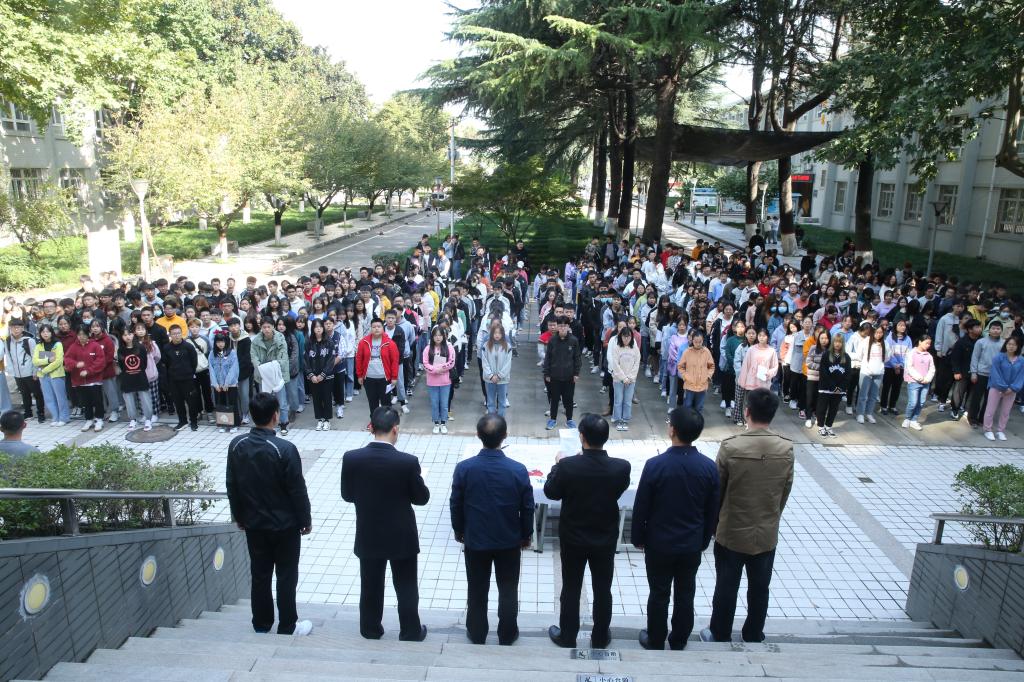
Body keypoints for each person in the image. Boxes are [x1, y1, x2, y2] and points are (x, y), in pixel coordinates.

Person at [701, 388, 793, 643]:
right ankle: (753, 633)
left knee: (726, 586)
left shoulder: (731, 446)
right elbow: (785, 490)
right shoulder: (786, 448)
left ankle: (720, 632)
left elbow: (717, 492)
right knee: (760, 587)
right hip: (766, 531)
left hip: (731, 530)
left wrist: (714, 523)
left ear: (747, 411)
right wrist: (772, 516)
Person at [225, 392, 313, 637]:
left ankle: (261, 624)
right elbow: (297, 489)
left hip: (254, 523)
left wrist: (238, 516)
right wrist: (305, 519)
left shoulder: (237, 445)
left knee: (260, 574)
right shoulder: (284, 448)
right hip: (285, 525)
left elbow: (232, 485)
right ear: (275, 416)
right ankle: (287, 625)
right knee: (286, 575)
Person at [631, 407, 719, 650]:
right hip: (691, 542)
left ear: (672, 430)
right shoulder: (708, 467)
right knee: (685, 593)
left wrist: (638, 537)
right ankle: (679, 639)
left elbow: (642, 506)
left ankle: (655, 638)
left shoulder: (656, 465)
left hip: (659, 542)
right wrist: (704, 540)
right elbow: (712, 510)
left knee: (659, 593)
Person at [340, 406, 430, 641]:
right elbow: (421, 498)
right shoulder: (407, 462)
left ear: (371, 428)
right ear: (395, 429)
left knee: (370, 584)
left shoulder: (351, 458)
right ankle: (410, 630)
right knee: (406, 585)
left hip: (369, 532)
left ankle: (370, 628)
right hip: (401, 534)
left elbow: (347, 495)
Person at [544, 414, 630, 649]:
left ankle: (568, 636)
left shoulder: (568, 466)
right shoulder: (621, 467)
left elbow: (551, 492)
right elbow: (619, 490)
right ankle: (600, 637)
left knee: (571, 587)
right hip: (605, 536)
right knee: (603, 589)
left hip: (573, 537)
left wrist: (558, 464)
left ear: (581, 437)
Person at [450, 414, 533, 645]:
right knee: (508, 589)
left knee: (477, 588)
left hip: (476, 539)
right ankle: (507, 633)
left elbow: (456, 503)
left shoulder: (464, 468)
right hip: (508, 540)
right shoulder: (517, 470)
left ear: (478, 435)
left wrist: (459, 530)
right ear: (505, 435)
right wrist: (526, 535)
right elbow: (527, 507)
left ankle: (477, 632)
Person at [250, 318, 291, 435]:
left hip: (277, 373)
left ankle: (284, 423)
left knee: (281, 401)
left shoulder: (280, 339)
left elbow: (283, 356)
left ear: (273, 327)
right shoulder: (256, 340)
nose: (267, 329)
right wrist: (261, 367)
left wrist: (272, 366)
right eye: (264, 327)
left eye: (269, 327)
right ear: (261, 328)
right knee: (264, 401)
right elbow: (253, 356)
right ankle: (266, 424)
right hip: (262, 374)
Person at [355, 318, 400, 422]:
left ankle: (387, 422)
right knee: (372, 402)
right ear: (370, 328)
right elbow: (359, 359)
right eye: (374, 327)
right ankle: (374, 422)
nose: (376, 329)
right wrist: (360, 375)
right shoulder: (363, 342)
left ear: (383, 328)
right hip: (369, 378)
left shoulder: (390, 343)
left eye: (379, 326)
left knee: (386, 402)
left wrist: (394, 377)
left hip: (384, 378)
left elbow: (395, 361)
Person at [63, 325, 106, 432]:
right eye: (79, 334)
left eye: (84, 334)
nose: (81, 337)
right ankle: (88, 419)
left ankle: (99, 419)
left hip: (94, 380)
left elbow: (100, 361)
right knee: (85, 402)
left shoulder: (95, 346)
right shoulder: (73, 347)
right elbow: (67, 359)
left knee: (97, 400)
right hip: (79, 380)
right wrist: (75, 364)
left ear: (88, 334)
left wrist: (88, 371)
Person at [543, 315, 582, 430]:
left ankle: (569, 420)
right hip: (554, 376)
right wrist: (547, 373)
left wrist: (576, 373)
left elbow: (577, 358)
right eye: (560, 326)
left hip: (569, 377)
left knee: (569, 399)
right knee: (554, 399)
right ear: (557, 327)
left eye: (565, 326)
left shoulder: (574, 341)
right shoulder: (552, 340)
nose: (562, 328)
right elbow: (548, 358)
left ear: (568, 327)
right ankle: (552, 419)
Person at [984, 337, 1024, 441]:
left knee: (1006, 412)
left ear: (1018, 347)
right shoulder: (998, 357)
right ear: (1005, 345)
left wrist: (1013, 388)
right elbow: (995, 373)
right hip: (996, 388)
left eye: (1014, 345)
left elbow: (1021, 376)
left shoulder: (1021, 360)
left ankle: (1000, 431)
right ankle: (988, 430)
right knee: (990, 410)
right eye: (1009, 344)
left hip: (1012, 390)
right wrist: (1003, 386)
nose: (1011, 346)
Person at [162, 326, 200, 432]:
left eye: (178, 333)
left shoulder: (188, 347)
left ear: (181, 333)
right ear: (170, 335)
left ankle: (194, 422)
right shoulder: (166, 348)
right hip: (173, 379)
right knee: (178, 402)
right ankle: (182, 421)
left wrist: (189, 373)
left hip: (187, 379)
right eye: (174, 334)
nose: (176, 335)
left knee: (191, 401)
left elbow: (194, 362)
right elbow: (165, 363)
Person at [5, 319, 44, 423]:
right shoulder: (8, 341)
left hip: (30, 372)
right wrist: (12, 371)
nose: (16, 330)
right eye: (13, 327)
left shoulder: (29, 340)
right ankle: (28, 413)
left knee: (37, 393)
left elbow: (35, 356)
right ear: (10, 328)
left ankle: (41, 413)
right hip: (17, 374)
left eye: (18, 327)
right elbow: (8, 356)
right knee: (24, 394)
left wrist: (35, 371)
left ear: (22, 328)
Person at [116, 325, 154, 431]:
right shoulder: (121, 350)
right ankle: (133, 419)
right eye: (125, 335)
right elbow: (122, 366)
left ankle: (148, 419)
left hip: (140, 376)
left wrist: (136, 371)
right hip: (127, 378)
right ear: (121, 337)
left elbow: (144, 364)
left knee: (145, 399)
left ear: (133, 335)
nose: (127, 337)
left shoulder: (141, 347)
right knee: (129, 400)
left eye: (129, 334)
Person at [32, 324, 69, 426]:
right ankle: (55, 417)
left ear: (52, 333)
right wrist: (48, 359)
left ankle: (64, 418)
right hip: (43, 377)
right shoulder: (38, 345)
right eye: (43, 332)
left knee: (60, 397)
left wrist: (44, 369)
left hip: (56, 374)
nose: (45, 334)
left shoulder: (57, 344)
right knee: (48, 398)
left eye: (47, 331)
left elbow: (58, 361)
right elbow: (35, 361)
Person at [304, 318, 337, 432]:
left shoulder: (329, 342)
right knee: (316, 398)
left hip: (327, 377)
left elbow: (331, 360)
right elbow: (305, 360)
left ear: (323, 328)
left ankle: (327, 420)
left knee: (327, 397)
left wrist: (323, 374)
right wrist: (311, 374)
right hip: (313, 377)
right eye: (316, 327)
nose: (318, 329)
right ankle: (320, 419)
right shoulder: (308, 342)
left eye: (320, 327)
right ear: (312, 329)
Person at [421, 325, 455, 433]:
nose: (438, 337)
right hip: (432, 382)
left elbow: (451, 362)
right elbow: (425, 363)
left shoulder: (449, 347)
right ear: (432, 337)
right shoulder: (428, 348)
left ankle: (443, 423)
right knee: (435, 404)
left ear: (444, 336)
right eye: (435, 335)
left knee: (444, 404)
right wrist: (435, 370)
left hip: (445, 381)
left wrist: (442, 368)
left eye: (440, 335)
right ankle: (436, 423)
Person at [815, 332, 850, 437]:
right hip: (826, 387)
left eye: (840, 342)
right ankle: (821, 427)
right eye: (835, 342)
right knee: (822, 408)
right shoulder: (826, 355)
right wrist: (833, 386)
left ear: (843, 343)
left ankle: (828, 426)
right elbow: (823, 372)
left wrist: (840, 388)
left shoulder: (846, 357)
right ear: (832, 342)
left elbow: (848, 375)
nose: (837, 344)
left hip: (839, 389)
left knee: (833, 409)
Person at [607, 325, 640, 431]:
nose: (626, 339)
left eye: (628, 336)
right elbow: (615, 365)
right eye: (624, 336)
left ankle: (625, 419)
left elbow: (636, 364)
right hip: (618, 380)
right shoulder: (617, 348)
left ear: (631, 337)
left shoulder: (635, 349)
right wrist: (623, 378)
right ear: (620, 337)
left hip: (631, 380)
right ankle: (618, 419)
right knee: (618, 400)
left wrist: (630, 377)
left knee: (627, 401)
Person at [209, 331, 241, 433]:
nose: (220, 344)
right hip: (218, 385)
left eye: (222, 341)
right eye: (218, 342)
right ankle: (223, 424)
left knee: (232, 403)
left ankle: (235, 424)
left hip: (230, 384)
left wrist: (227, 383)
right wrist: (215, 384)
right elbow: (211, 369)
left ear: (226, 342)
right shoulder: (212, 353)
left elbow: (234, 369)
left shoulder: (232, 353)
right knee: (220, 403)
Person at [902, 334, 935, 431]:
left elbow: (932, 369)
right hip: (913, 382)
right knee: (913, 402)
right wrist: (920, 378)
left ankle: (914, 420)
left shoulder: (929, 356)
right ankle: (907, 418)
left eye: (929, 344)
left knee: (921, 402)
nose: (928, 345)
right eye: (926, 343)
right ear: (920, 342)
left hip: (925, 383)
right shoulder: (912, 353)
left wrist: (927, 379)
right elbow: (909, 367)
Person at [856, 325, 887, 424]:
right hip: (866, 372)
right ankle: (860, 413)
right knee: (863, 395)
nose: (878, 334)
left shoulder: (885, 343)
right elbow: (859, 355)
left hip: (879, 373)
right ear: (873, 332)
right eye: (876, 332)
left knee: (873, 395)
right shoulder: (866, 341)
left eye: (881, 332)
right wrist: (867, 365)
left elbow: (887, 357)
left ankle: (869, 413)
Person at [678, 330, 714, 413]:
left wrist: (708, 376)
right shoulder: (687, 352)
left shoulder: (706, 352)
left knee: (699, 407)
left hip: (702, 384)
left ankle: (698, 421)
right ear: (692, 340)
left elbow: (711, 366)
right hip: (689, 384)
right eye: (696, 342)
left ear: (703, 340)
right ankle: (687, 420)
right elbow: (680, 366)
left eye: (700, 342)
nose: (698, 344)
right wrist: (685, 376)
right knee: (687, 405)